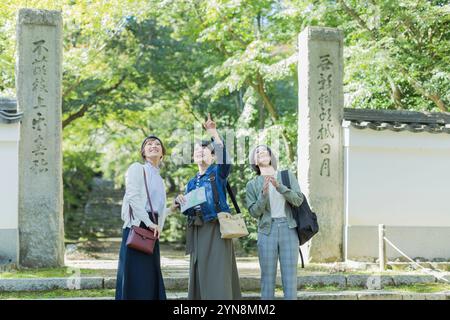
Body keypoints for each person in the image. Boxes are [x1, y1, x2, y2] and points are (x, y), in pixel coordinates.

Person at [174, 113, 241, 300]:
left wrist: (214, 133)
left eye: (204, 150)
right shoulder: (191, 182)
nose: (199, 152)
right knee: (199, 269)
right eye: (196, 150)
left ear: (212, 157)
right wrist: (181, 202)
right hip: (197, 230)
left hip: (217, 228)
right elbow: (188, 209)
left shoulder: (217, 173)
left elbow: (226, 159)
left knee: (218, 271)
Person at [245, 145, 304, 300]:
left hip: (289, 229)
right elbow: (254, 212)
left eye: (265, 150)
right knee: (267, 278)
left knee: (290, 279)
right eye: (257, 152)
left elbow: (298, 200)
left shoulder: (286, 176)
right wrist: (263, 195)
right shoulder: (252, 185)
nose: (262, 152)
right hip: (266, 231)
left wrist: (280, 187)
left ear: (271, 156)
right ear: (255, 161)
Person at [115, 135, 168, 300]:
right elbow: (133, 197)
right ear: (144, 152)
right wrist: (148, 222)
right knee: (135, 277)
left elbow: (157, 209)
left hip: (153, 230)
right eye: (149, 144)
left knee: (150, 276)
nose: (154, 146)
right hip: (138, 228)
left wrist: (172, 208)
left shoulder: (160, 179)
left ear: (162, 154)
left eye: (158, 144)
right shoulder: (137, 168)